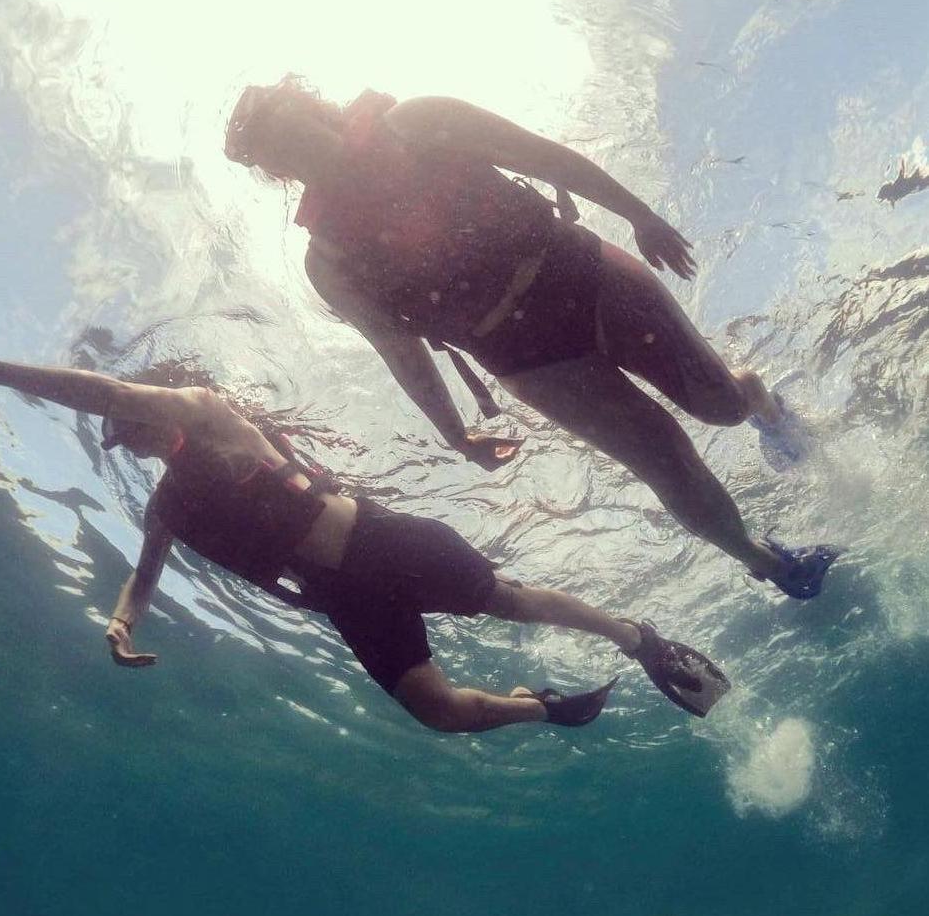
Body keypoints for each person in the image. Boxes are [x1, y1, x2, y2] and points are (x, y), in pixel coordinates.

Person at [0, 309, 731, 732]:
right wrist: (120, 621)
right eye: (127, 436)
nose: (136, 431)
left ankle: (636, 634)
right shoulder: (168, 502)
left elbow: (110, 392)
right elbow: (145, 572)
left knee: (510, 599)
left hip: (384, 543)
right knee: (439, 713)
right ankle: (542, 708)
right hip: (347, 602)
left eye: (135, 419)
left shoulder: (211, 411)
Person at [223, 78, 837, 600]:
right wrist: (454, 433)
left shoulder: (417, 121)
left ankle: (756, 400)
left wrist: (639, 214)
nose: (299, 147)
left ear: (316, 105)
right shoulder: (329, 261)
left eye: (295, 125)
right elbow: (399, 349)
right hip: (527, 357)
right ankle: (768, 563)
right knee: (664, 463)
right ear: (277, 173)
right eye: (282, 151)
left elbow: (543, 157)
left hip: (585, 273)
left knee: (719, 407)